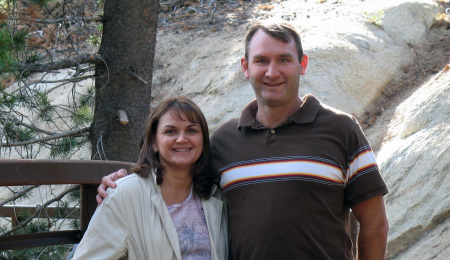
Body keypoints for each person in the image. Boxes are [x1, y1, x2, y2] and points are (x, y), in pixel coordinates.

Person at [97, 20, 389, 259]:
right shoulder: (224, 141)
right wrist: (121, 184)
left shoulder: (341, 129)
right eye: (261, 60)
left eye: (283, 60)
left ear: (303, 64)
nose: (272, 72)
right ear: (245, 67)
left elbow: (375, 225)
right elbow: (177, 178)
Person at [74, 97, 228, 259]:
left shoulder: (216, 195)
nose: (182, 139)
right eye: (170, 131)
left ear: (203, 140)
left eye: (192, 130)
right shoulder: (125, 195)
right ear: (154, 142)